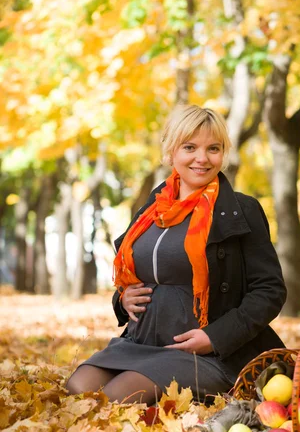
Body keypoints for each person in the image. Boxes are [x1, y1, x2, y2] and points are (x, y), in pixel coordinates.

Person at [66, 105, 287, 404]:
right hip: (141, 342)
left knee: (116, 398)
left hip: (210, 354)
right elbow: (137, 274)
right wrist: (123, 298)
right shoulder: (153, 207)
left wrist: (216, 337)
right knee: (79, 388)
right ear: (171, 152)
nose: (202, 158)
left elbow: (269, 290)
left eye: (213, 148)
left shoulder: (240, 210)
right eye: (190, 147)